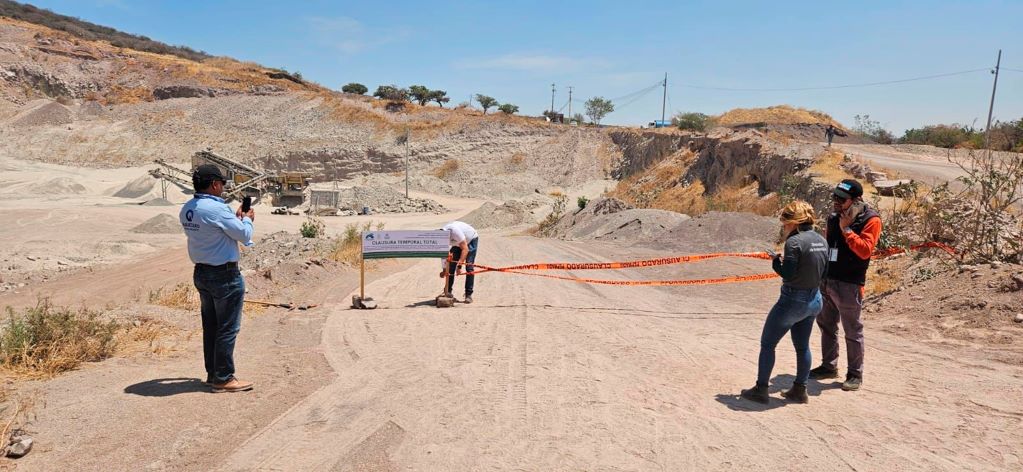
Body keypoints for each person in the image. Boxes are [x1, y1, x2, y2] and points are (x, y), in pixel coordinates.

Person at [741, 200, 828, 404]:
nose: (783, 227)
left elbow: (787, 274)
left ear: (794, 223)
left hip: (792, 300)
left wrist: (775, 262)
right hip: (814, 298)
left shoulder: (794, 242)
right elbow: (825, 272)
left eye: (785, 223)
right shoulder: (821, 240)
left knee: (768, 343)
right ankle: (800, 390)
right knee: (802, 346)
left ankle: (761, 389)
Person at [180, 164, 255, 393]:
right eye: (221, 183)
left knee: (211, 326)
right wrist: (247, 219)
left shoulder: (187, 208)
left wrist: (233, 220)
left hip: (202, 273)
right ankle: (223, 378)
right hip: (224, 274)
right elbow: (244, 235)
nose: (223, 187)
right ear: (214, 184)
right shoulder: (216, 209)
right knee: (227, 327)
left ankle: (213, 373)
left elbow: (213, 232)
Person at [810, 179, 882, 392]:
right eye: (835, 197)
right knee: (826, 326)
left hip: (850, 283)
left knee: (852, 330)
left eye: (841, 199)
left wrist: (847, 230)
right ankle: (828, 366)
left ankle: (854, 374)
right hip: (828, 280)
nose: (836, 202)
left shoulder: (871, 219)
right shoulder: (833, 217)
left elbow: (865, 250)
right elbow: (825, 245)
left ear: (856, 200)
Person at [439, 221, 479, 304]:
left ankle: (468, 294)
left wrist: (459, 266)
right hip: (458, 243)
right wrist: (444, 269)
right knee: (450, 266)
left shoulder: (454, 231)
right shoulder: (440, 237)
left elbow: (465, 249)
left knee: (469, 266)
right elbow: (444, 254)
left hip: (470, 240)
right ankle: (448, 291)